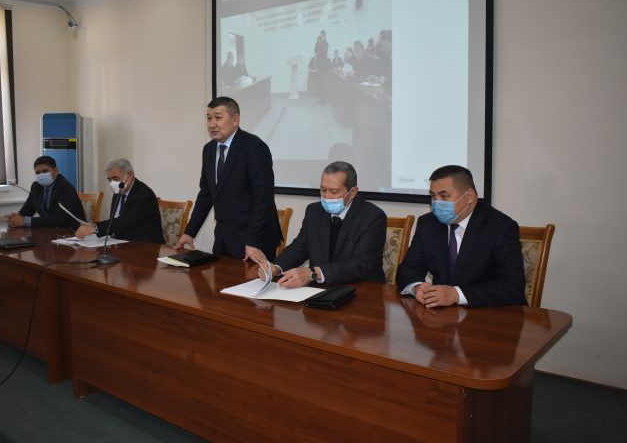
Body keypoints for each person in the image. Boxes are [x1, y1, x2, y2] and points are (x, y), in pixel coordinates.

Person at [397, 165, 527, 308]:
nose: (436, 203)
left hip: (488, 313)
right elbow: (408, 269)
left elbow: (512, 287)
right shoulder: (428, 223)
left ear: (469, 197)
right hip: (440, 314)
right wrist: (417, 287)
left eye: (444, 196)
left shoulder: (501, 227)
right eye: (433, 196)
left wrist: (457, 294)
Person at [246, 161, 386, 288]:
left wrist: (313, 273)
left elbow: (360, 264)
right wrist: (276, 267)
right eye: (323, 190)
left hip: (362, 291)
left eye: (334, 192)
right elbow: (299, 248)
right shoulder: (314, 211)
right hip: (319, 291)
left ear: (353, 192)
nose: (326, 197)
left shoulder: (373, 217)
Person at [174, 96, 282, 260]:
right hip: (224, 239)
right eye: (209, 118)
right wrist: (190, 232)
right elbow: (206, 194)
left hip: (255, 241)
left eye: (218, 118)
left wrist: (253, 241)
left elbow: (263, 198)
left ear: (235, 120)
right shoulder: (209, 150)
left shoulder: (254, 147)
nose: (212, 124)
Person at [75, 158, 164, 243]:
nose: (112, 183)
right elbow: (114, 222)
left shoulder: (144, 194)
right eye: (109, 180)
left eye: (115, 179)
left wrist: (96, 227)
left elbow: (127, 221)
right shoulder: (118, 192)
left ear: (130, 174)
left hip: (146, 246)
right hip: (121, 243)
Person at [6, 155, 85, 229]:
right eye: (38, 172)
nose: (41, 175)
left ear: (56, 171)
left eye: (45, 171)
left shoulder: (65, 187)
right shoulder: (36, 186)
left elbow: (59, 219)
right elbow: (28, 209)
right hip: (50, 231)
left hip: (73, 231)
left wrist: (25, 221)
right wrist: (16, 217)